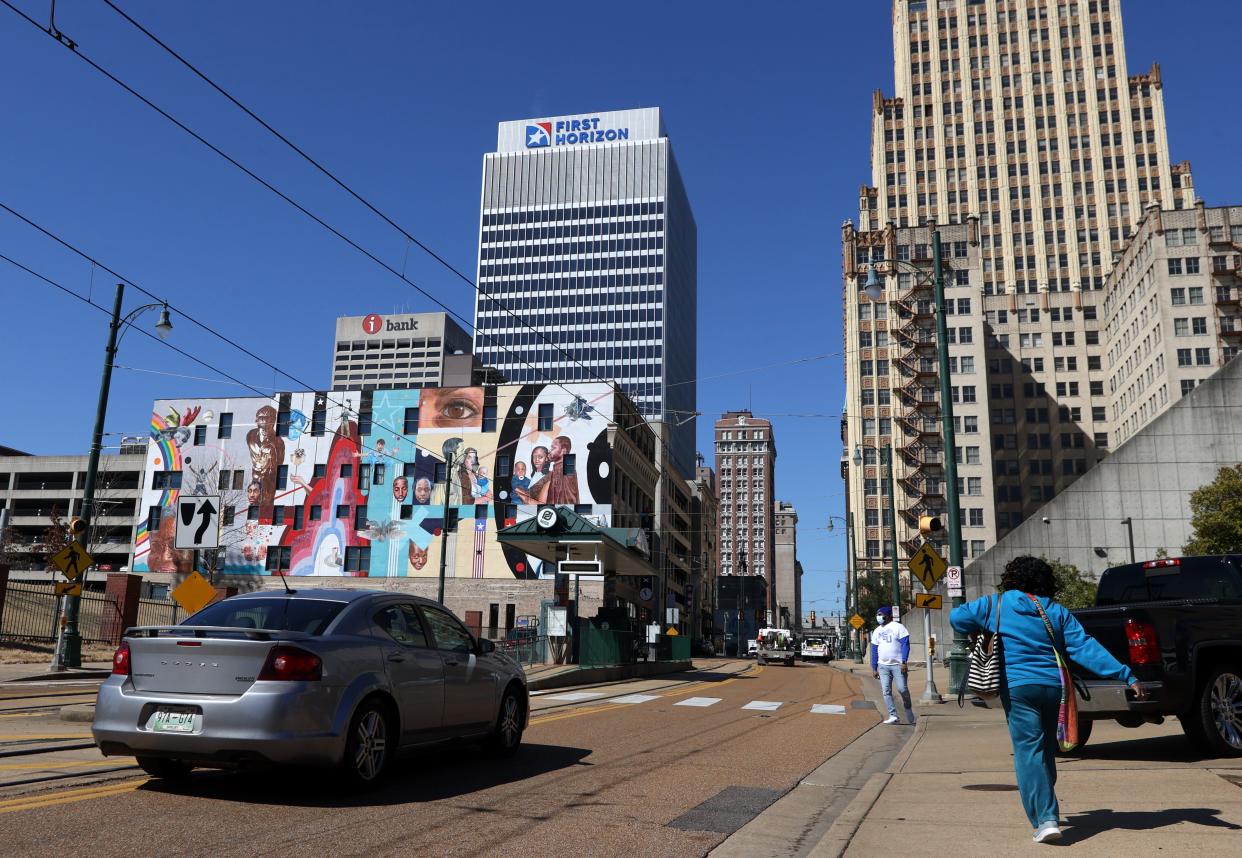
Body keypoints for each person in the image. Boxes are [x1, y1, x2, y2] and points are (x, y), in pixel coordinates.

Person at [950, 556, 1144, 845]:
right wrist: (1126, 675)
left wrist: (986, 625)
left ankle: (1046, 819)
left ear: (1011, 578)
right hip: (1054, 687)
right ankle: (1045, 805)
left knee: (1028, 751)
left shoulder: (995, 604)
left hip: (1018, 687)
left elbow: (958, 619)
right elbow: (1084, 647)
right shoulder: (1054, 610)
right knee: (1045, 749)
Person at [870, 606, 915, 726]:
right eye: (877, 615)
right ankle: (893, 715)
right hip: (883, 666)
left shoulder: (898, 627)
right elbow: (874, 650)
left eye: (881, 614)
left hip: (898, 665)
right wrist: (874, 667)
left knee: (902, 689)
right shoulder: (876, 631)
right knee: (886, 691)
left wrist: (904, 661)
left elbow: (906, 645)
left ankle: (908, 708)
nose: (878, 617)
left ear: (888, 615)